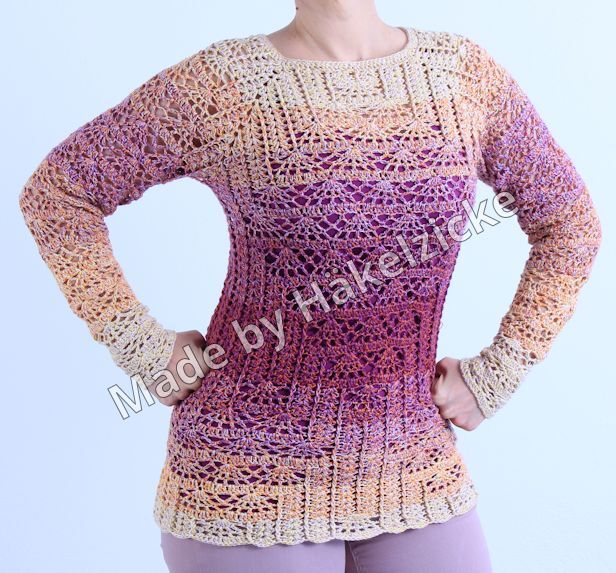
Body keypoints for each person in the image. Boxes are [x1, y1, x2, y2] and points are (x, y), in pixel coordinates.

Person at [18, 1, 602, 572]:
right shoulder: (226, 84)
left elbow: (570, 222)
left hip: (414, 461)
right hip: (244, 473)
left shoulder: (463, 77)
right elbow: (59, 194)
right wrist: (143, 348)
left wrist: (498, 373)